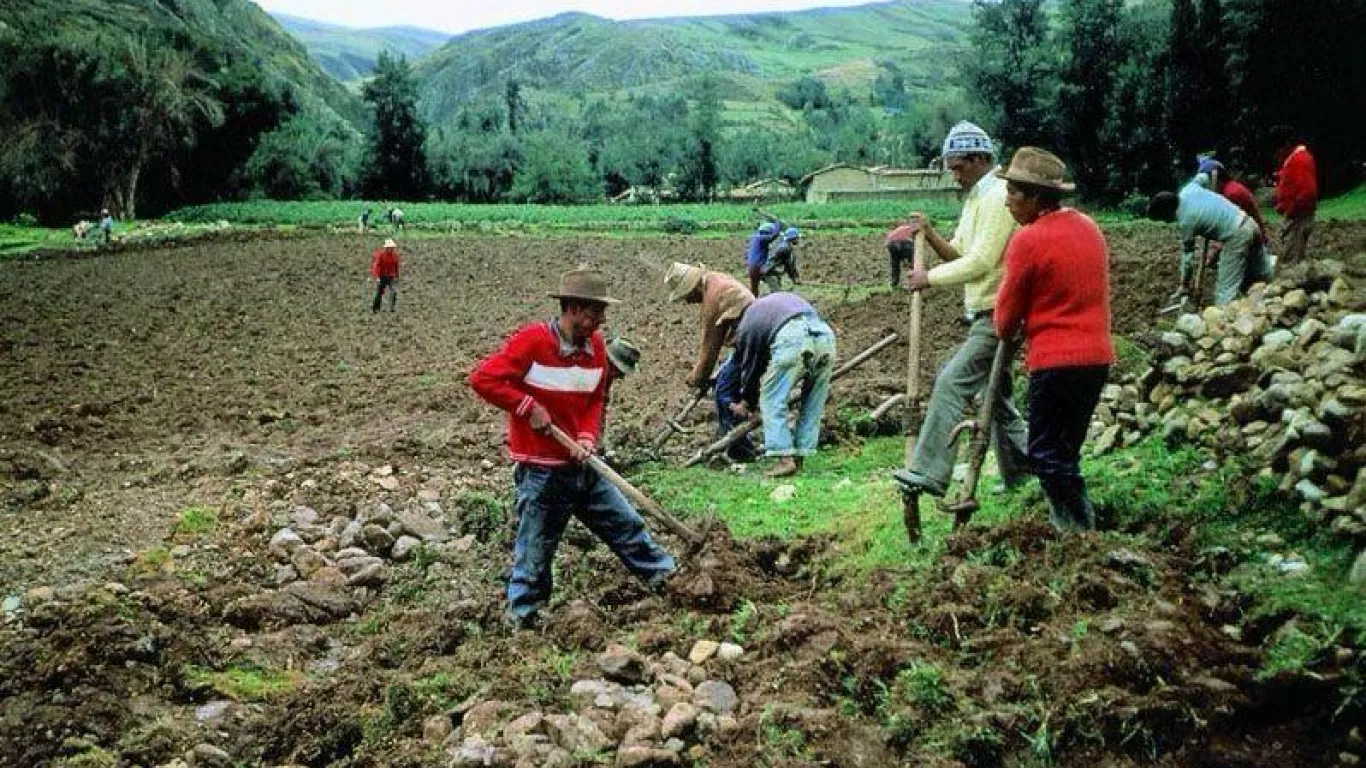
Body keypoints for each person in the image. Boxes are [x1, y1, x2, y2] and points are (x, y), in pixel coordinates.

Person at [469, 266, 676, 629]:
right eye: (596, 311)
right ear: (575, 308)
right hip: (541, 469)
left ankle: (667, 579)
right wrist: (527, 406)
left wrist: (586, 437)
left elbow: (595, 400)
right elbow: (483, 379)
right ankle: (525, 617)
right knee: (535, 548)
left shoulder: (596, 348)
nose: (601, 319)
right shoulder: (533, 342)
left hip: (582, 465)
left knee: (626, 523)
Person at [890, 121, 1030, 524]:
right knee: (997, 400)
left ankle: (928, 472)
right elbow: (960, 254)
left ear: (981, 159)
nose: (954, 175)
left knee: (952, 380)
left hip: (1000, 312)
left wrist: (927, 279)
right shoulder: (975, 200)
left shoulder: (999, 196)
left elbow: (983, 262)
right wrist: (930, 234)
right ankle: (1022, 472)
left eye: (958, 166)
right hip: (986, 311)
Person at [993, 147, 1115, 532]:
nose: (1008, 199)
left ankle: (1078, 535)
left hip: (1055, 361)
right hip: (1095, 358)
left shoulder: (1027, 240)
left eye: (1014, 192)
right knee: (1066, 452)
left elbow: (1005, 320)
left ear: (1035, 197)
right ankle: (1073, 528)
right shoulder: (1089, 228)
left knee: (1046, 455)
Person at [714, 291, 836, 478]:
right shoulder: (771, 305)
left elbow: (752, 371)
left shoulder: (747, 324)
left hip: (793, 338)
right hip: (825, 336)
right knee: (813, 401)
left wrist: (746, 404)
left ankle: (784, 459)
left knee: (772, 398)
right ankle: (800, 456)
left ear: (734, 318)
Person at [664, 262, 758, 461]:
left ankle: (738, 447)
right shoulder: (718, 279)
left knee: (723, 389)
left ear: (694, 287)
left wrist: (697, 377)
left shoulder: (713, 296)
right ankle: (737, 441)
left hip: (751, 338)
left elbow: (709, 348)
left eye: (687, 297)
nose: (689, 302)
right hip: (751, 336)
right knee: (726, 377)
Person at [1146, 178, 1272, 306]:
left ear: (1167, 213)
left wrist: (1184, 284)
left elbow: (1188, 259)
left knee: (1225, 291)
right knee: (1264, 274)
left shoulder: (1186, 221)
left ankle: (1224, 319)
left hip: (1236, 236)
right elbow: (1204, 176)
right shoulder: (1189, 189)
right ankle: (1273, 301)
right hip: (1249, 223)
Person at [1271, 127, 1318, 265]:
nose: (1277, 155)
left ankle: (1291, 283)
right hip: (1297, 215)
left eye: (1278, 150)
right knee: (1293, 254)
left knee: (1291, 256)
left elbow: (1308, 192)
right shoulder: (1297, 159)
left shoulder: (1299, 160)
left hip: (1298, 217)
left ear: (1286, 145)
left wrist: (1290, 208)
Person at [744, 221, 782, 296]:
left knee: (754, 288)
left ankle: (753, 303)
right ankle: (777, 296)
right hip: (759, 267)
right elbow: (773, 236)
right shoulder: (762, 239)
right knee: (774, 281)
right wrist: (778, 225)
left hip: (751, 267)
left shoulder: (755, 237)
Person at [761, 227, 801, 292]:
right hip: (769, 272)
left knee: (776, 292)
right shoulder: (785, 249)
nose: (798, 239)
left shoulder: (786, 246)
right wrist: (794, 278)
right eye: (797, 238)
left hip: (774, 272)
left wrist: (795, 277)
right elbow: (789, 265)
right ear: (793, 238)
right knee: (777, 294)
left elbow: (791, 264)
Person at [370, 238, 401, 313]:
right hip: (382, 276)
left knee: (394, 292)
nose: (391, 249)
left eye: (392, 248)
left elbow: (396, 266)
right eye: (389, 247)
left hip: (391, 276)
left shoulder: (395, 256)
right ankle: (375, 308)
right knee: (379, 293)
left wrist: (397, 276)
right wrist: (377, 277)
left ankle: (392, 308)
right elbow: (376, 266)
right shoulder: (380, 255)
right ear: (386, 248)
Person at [885, 223, 916, 289]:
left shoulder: (894, 232)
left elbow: (887, 243)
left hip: (891, 244)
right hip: (905, 243)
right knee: (912, 263)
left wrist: (902, 259)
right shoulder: (911, 229)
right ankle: (913, 282)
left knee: (895, 264)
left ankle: (894, 283)